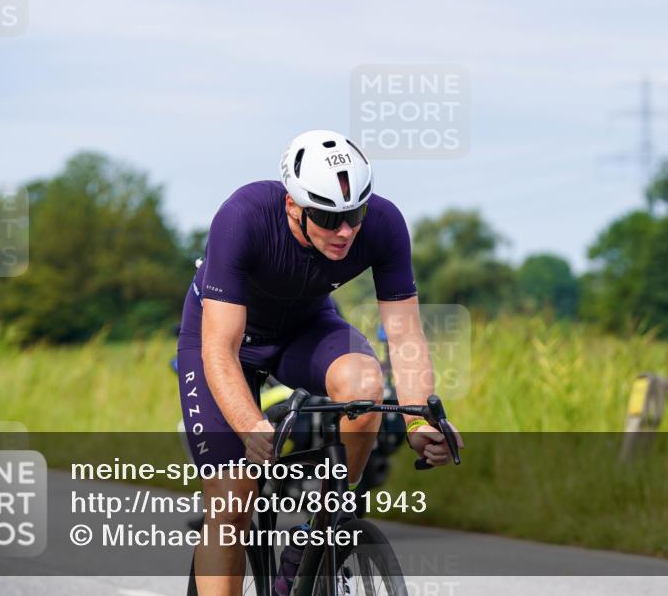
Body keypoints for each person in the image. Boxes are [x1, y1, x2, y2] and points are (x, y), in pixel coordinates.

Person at [176, 130, 463, 596]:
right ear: (294, 207)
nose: (346, 231)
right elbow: (219, 350)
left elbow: (407, 333)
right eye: (329, 218)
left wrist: (419, 423)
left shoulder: (384, 224)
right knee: (231, 506)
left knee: (366, 388)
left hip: (304, 328)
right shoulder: (244, 216)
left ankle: (319, 529)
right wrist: (250, 424)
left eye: (354, 214)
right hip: (223, 341)